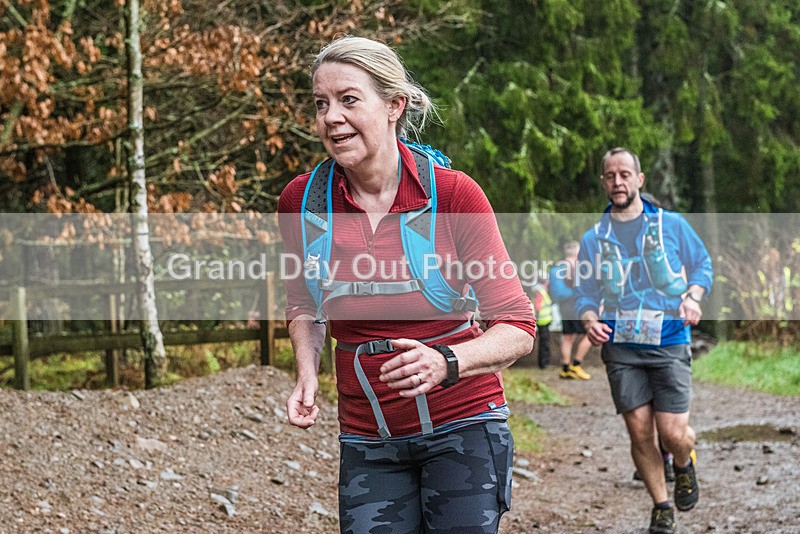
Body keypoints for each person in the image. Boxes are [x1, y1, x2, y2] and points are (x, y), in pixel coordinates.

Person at [278, 36, 536, 533]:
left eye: (349, 100)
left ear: (395, 105)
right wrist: (307, 372)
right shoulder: (303, 202)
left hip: (463, 427)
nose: (331, 117)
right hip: (367, 438)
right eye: (320, 103)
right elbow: (304, 305)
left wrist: (447, 362)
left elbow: (518, 325)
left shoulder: (454, 194)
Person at [575, 147, 713, 534]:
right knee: (640, 432)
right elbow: (585, 292)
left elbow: (702, 264)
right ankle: (661, 505)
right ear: (603, 182)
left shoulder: (671, 225)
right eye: (610, 175)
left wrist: (692, 297)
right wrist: (589, 318)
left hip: (669, 340)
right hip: (621, 346)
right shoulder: (594, 238)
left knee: (673, 434)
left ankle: (683, 463)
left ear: (639, 180)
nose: (617, 182)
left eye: (624, 174)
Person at [548, 241, 592, 380]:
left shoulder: (555, 269)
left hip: (563, 305)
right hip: (576, 303)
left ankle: (565, 368)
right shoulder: (577, 267)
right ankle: (576, 364)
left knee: (568, 336)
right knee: (591, 332)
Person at [529, 280, 553, 368]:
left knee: (544, 342)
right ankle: (544, 363)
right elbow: (538, 305)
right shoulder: (540, 291)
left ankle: (544, 363)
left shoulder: (539, 291)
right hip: (543, 321)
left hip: (544, 320)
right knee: (544, 343)